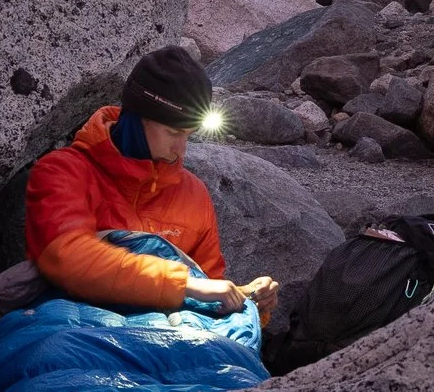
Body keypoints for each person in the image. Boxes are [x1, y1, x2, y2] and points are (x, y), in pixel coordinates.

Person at [24, 46, 276, 319]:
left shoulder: (193, 195)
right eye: (173, 132)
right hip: (75, 325)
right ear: (137, 118)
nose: (181, 150)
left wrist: (248, 300)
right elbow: (67, 257)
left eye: (188, 136)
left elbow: (207, 291)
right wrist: (185, 284)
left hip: (169, 334)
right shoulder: (62, 172)